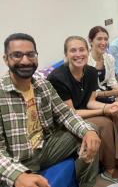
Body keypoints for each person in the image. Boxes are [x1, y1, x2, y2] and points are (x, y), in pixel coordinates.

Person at [0, 33, 100, 187]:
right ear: (6, 59)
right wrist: (17, 175)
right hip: (17, 158)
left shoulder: (42, 85)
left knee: (91, 130)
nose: (25, 61)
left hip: (45, 147)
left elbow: (65, 114)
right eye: (17, 55)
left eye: (30, 54)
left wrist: (88, 131)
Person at [47, 36, 118, 185]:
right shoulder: (57, 78)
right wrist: (104, 111)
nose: (78, 54)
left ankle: (117, 159)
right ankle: (109, 170)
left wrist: (108, 107)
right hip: (68, 119)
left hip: (83, 111)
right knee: (105, 123)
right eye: (73, 50)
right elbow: (70, 113)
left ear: (87, 51)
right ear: (66, 54)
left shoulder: (90, 71)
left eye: (82, 49)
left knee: (116, 115)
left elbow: (90, 102)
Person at [87, 25, 118, 127]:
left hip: (105, 89)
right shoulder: (86, 62)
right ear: (90, 41)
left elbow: (112, 81)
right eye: (99, 39)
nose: (103, 43)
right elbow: (93, 93)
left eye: (106, 39)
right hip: (93, 96)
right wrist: (117, 92)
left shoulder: (109, 58)